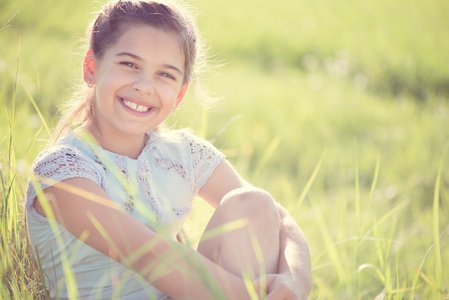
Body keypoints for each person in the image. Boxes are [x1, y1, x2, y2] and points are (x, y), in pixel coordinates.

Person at [25, 0, 311, 299]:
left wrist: (296, 280)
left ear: (180, 93)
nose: (144, 86)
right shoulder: (63, 171)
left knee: (253, 203)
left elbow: (280, 220)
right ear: (91, 67)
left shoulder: (182, 153)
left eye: (165, 75)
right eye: (129, 64)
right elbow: (150, 256)